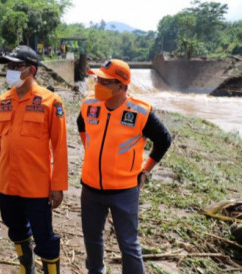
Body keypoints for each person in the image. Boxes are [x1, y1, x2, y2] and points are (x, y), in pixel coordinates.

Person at [77, 59, 172, 274]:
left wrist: (145, 170)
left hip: (124, 191)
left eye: (105, 81)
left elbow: (164, 140)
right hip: (90, 188)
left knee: (128, 244)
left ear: (122, 86)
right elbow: (81, 124)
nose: (98, 84)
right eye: (98, 79)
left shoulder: (140, 113)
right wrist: (89, 149)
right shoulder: (89, 105)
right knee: (92, 238)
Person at [0, 45, 68, 274]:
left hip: (37, 187)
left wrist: (58, 186)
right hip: (7, 185)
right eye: (8, 66)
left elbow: (60, 148)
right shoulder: (2, 101)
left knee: (45, 237)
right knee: (16, 229)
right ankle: (26, 266)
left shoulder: (51, 102)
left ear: (31, 69)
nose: (9, 70)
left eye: (15, 66)